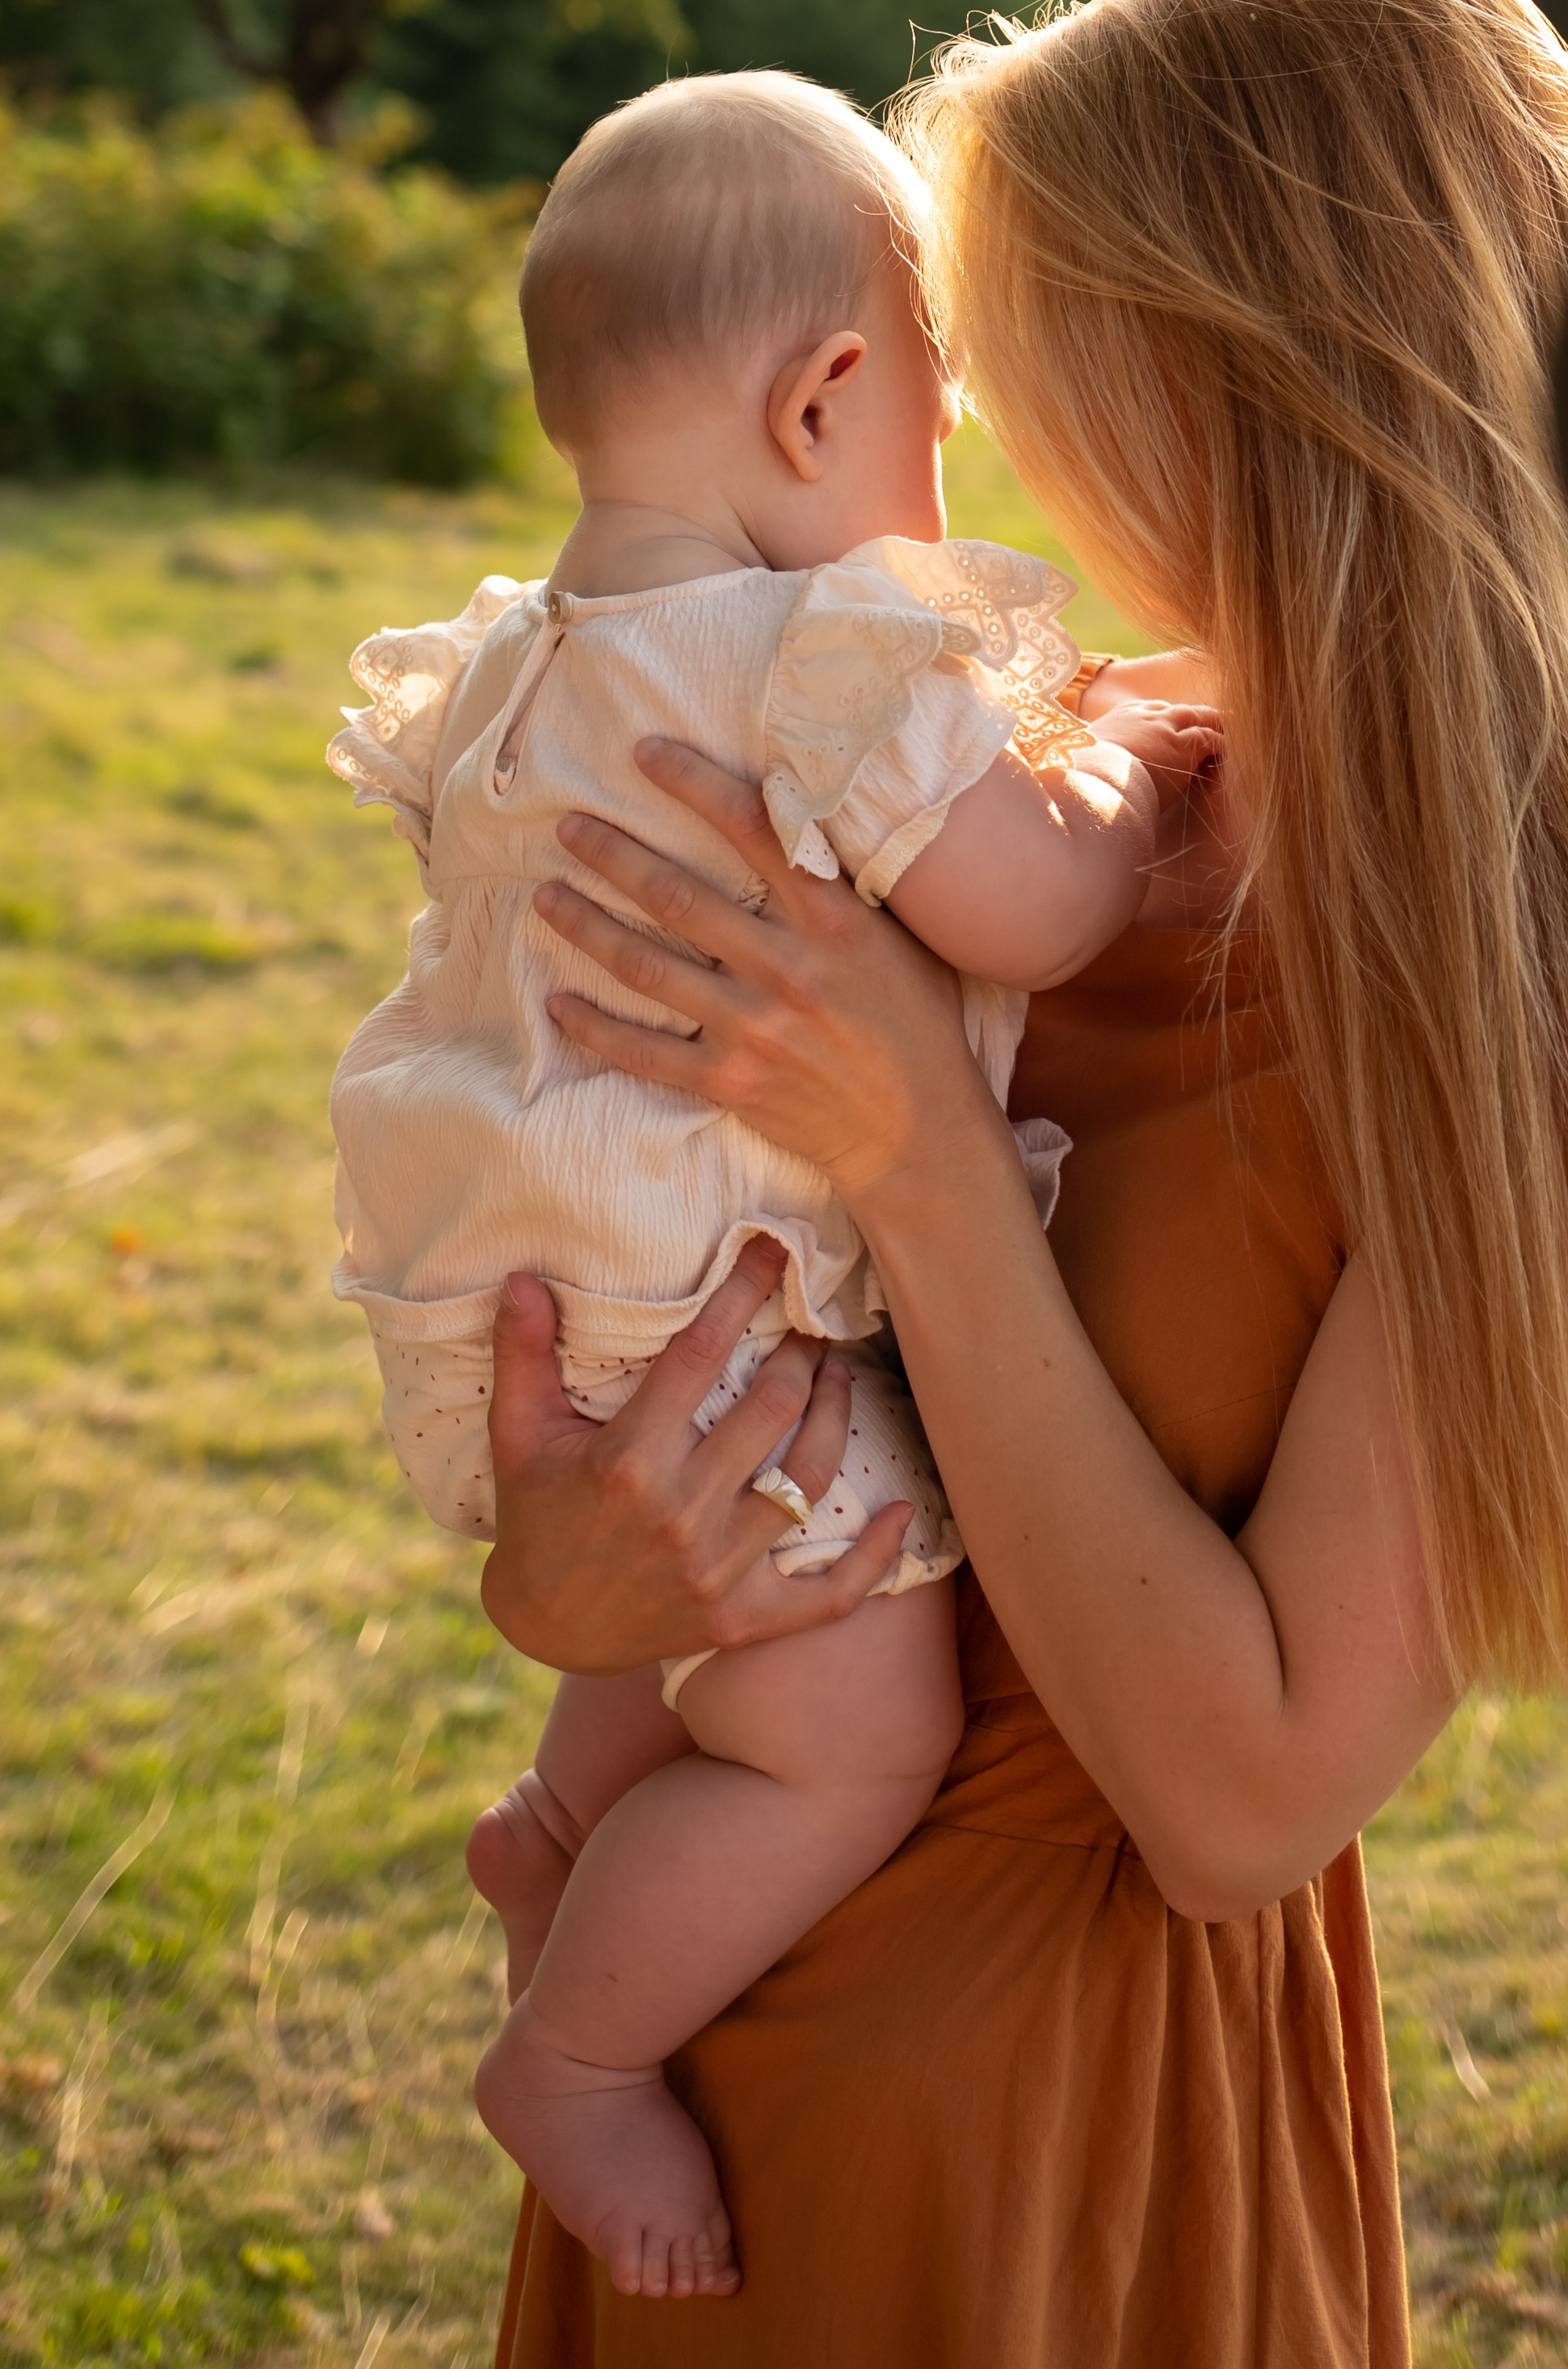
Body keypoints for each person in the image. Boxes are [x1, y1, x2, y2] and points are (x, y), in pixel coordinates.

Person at [477, 1, 1568, 2362]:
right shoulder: (1003, 769)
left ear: (1232, 359)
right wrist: (563, 1572)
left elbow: (1245, 1797)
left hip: (1060, 2161)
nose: (964, 404)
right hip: (703, 2040)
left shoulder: (1502, 957)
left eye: (1012, 328)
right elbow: (672, 1264)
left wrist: (932, 1161)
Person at [326, 69, 1223, 2303]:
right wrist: (1114, 781)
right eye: (939, 420)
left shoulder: (510, 670)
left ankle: (556, 1831)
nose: (950, 479)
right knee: (852, 1732)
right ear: (826, 398)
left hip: (508, 1314)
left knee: (681, 1610)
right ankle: (582, 2050)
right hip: (723, 1310)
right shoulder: (827, 649)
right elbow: (1021, 911)